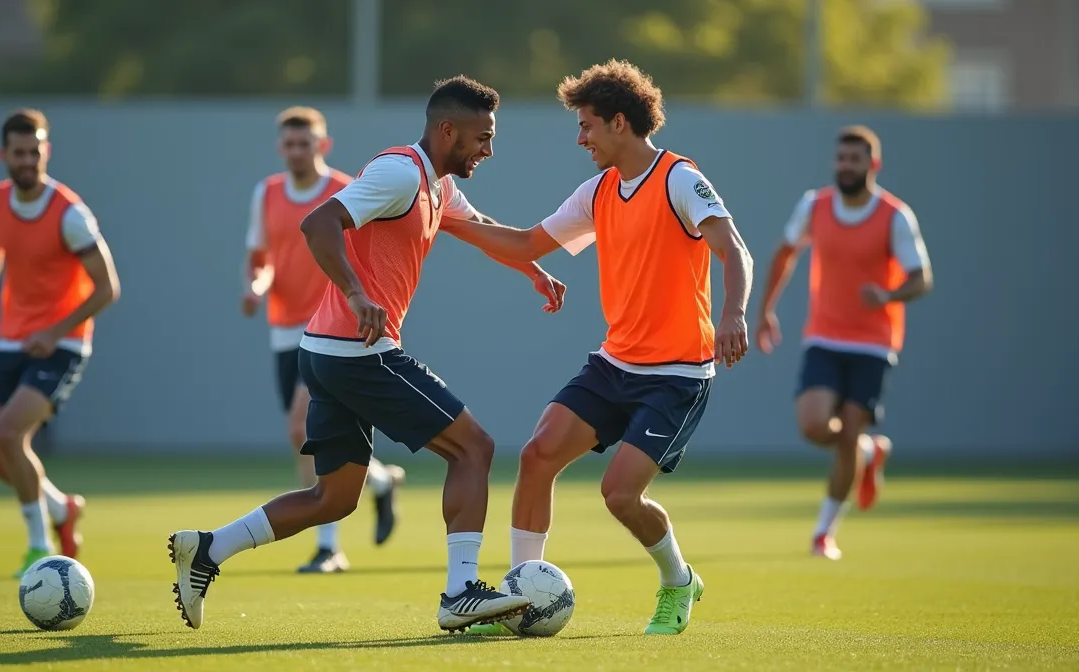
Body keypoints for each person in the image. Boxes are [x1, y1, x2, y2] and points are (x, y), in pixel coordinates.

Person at [168, 76, 567, 633]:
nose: (488, 150)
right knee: (473, 448)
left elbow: (486, 230)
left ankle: (208, 549)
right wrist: (356, 293)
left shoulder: (437, 186)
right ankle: (460, 592)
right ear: (446, 130)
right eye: (482, 137)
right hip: (359, 352)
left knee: (332, 498)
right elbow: (319, 222)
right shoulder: (400, 173)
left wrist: (534, 269)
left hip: (325, 352)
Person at [430, 59, 755, 636]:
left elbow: (734, 247)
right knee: (536, 456)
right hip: (614, 364)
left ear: (620, 124)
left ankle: (678, 580)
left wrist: (733, 313)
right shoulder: (598, 190)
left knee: (619, 495)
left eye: (587, 126)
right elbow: (529, 242)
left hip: (677, 375)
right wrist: (449, 216)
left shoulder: (679, 178)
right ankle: (519, 598)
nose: (580, 138)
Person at [0, 109, 122, 577]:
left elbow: (108, 288)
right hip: (12, 342)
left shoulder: (70, 214)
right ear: (4, 155)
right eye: (19, 153)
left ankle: (39, 546)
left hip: (63, 344)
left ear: (46, 152)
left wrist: (55, 331)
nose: (28, 161)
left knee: (10, 434)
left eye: (36, 152)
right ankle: (61, 508)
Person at [754, 126, 933, 560]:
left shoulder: (894, 215)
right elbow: (785, 253)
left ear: (873, 165)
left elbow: (921, 278)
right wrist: (765, 311)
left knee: (850, 429)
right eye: (840, 159)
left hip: (874, 342)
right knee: (814, 426)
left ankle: (823, 533)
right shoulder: (814, 206)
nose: (845, 166)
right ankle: (868, 452)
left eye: (855, 160)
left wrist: (888, 296)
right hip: (824, 336)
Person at [242, 106, 406, 574]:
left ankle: (327, 545)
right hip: (283, 331)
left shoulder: (342, 191)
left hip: (330, 327)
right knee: (313, 437)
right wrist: (257, 285)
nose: (297, 151)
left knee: (302, 427)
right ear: (280, 148)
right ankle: (378, 481)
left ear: (323, 145)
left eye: (305, 142)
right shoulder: (266, 193)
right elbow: (260, 257)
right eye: (289, 144)